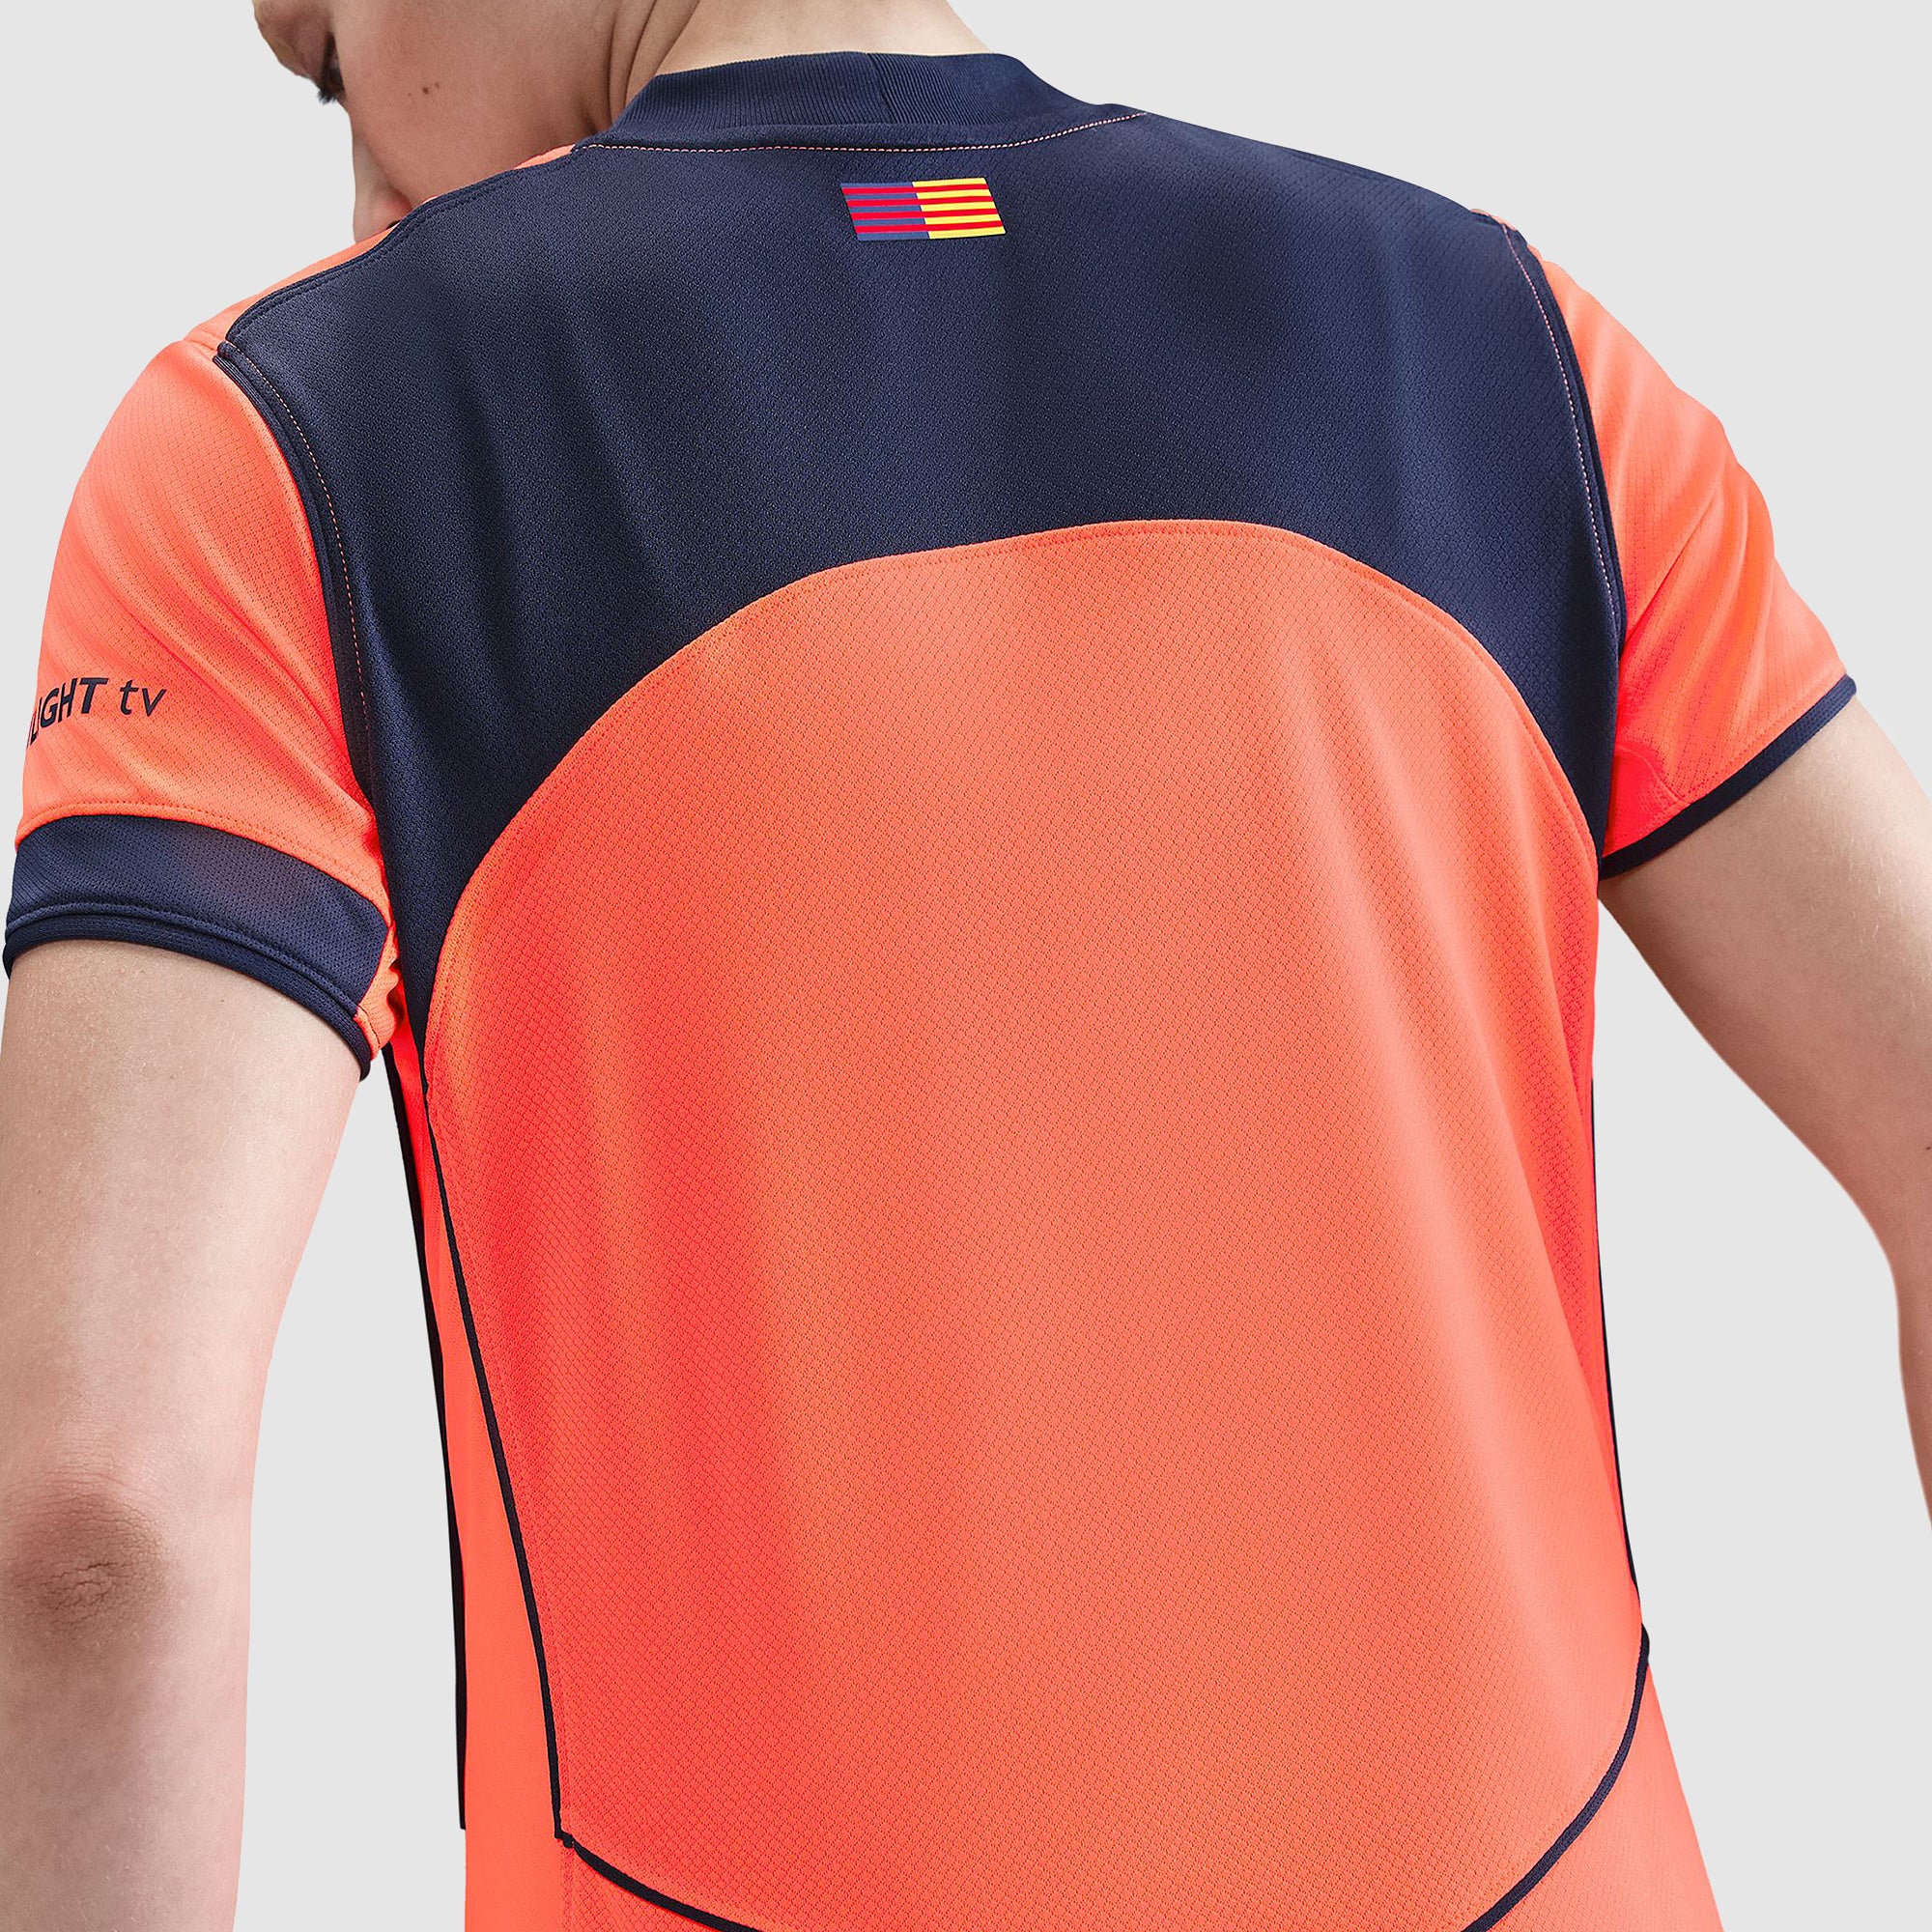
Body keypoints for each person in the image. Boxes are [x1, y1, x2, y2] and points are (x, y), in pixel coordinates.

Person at [2, 0, 1927, 1926]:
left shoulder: (300, 428)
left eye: (317, 36)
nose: (297, 47)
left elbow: (97, 1509)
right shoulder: (1504, 342)